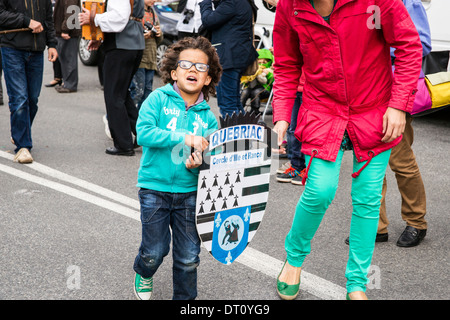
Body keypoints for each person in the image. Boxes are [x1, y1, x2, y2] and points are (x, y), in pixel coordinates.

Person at [272, 0, 422, 300]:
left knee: (367, 199)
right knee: (319, 190)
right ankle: (294, 258)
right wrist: (282, 115)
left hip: (374, 110)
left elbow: (408, 46)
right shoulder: (290, 6)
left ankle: (357, 283)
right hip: (322, 110)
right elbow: (287, 64)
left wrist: (398, 105)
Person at [132, 36, 222, 300]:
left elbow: (211, 162)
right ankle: (144, 272)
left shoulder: (209, 118)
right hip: (154, 189)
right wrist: (184, 137)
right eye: (185, 64)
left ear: (208, 79)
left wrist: (198, 165)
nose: (193, 69)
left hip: (190, 195)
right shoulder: (157, 100)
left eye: (201, 67)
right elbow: (144, 134)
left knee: (188, 258)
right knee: (154, 251)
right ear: (173, 72)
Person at [345, 0, 431, 248]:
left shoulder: (407, 2)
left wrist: (380, 49)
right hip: (366, 92)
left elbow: (421, 44)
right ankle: (376, 226)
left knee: (401, 160)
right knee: (368, 160)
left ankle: (416, 222)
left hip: (395, 91)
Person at [79, 0, 145, 156]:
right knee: (121, 94)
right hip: (133, 44)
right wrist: (100, 38)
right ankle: (143, 135)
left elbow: (119, 18)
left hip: (121, 47)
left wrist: (93, 18)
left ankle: (124, 144)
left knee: (114, 95)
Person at [0, 0, 58, 164]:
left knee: (32, 99)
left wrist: (52, 44)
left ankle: (19, 131)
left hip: (36, 50)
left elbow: (48, 18)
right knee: (20, 98)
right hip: (11, 48)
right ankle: (23, 147)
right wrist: (27, 21)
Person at [200, 0, 258, 118]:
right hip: (236, 57)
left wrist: (205, 3)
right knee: (234, 100)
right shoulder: (242, 3)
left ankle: (234, 134)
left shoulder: (231, 2)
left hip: (229, 59)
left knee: (227, 103)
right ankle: (243, 131)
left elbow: (208, 21)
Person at [129, 0, 163, 110]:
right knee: (138, 91)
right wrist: (143, 36)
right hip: (139, 59)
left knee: (147, 92)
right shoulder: (134, 11)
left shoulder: (153, 12)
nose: (155, 0)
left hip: (151, 59)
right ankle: (129, 116)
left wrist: (158, 33)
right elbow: (130, 35)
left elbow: (159, 41)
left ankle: (141, 119)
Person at [277, 73, 307, 185]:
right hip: (293, 87)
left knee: (308, 131)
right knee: (292, 129)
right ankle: (296, 166)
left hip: (312, 89)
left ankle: (309, 169)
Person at [53, 0, 81, 93]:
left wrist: (65, 29)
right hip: (66, 30)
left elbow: (72, 10)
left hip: (68, 32)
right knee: (65, 58)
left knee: (68, 58)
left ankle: (70, 85)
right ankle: (67, 83)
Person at [240, 48, 274, 115]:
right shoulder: (254, 68)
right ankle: (239, 109)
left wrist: (268, 74)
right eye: (259, 62)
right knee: (245, 92)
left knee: (256, 92)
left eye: (264, 63)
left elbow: (272, 81)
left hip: (265, 89)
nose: (262, 64)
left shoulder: (270, 69)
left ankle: (254, 111)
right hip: (251, 87)